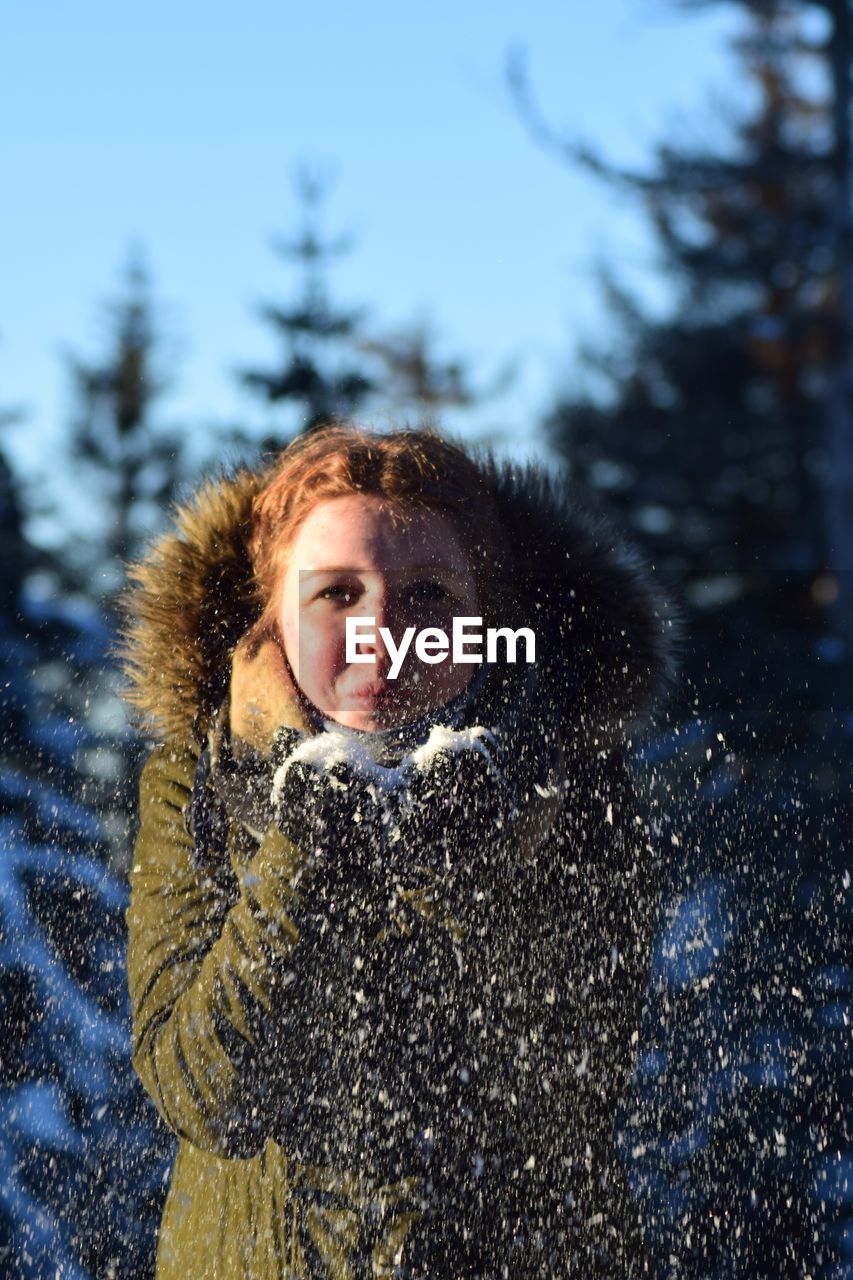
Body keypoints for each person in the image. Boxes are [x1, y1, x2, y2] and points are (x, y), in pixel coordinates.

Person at [121, 423, 680, 1278]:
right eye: (336, 593)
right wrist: (305, 845)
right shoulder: (194, 782)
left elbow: (566, 1080)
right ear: (272, 622)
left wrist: (464, 862)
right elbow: (212, 1098)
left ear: (489, 621)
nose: (380, 633)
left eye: (425, 594)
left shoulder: (571, 775)